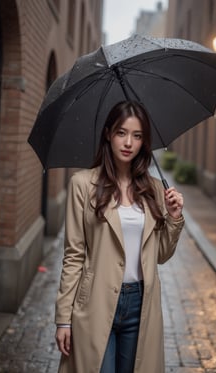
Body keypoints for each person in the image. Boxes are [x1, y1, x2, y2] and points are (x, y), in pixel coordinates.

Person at [55, 101, 184, 373]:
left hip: (141, 303)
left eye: (137, 136)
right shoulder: (82, 184)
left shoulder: (153, 189)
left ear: (144, 142)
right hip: (95, 303)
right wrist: (63, 319)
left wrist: (173, 218)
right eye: (121, 133)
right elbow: (74, 255)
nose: (128, 143)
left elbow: (160, 255)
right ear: (108, 134)